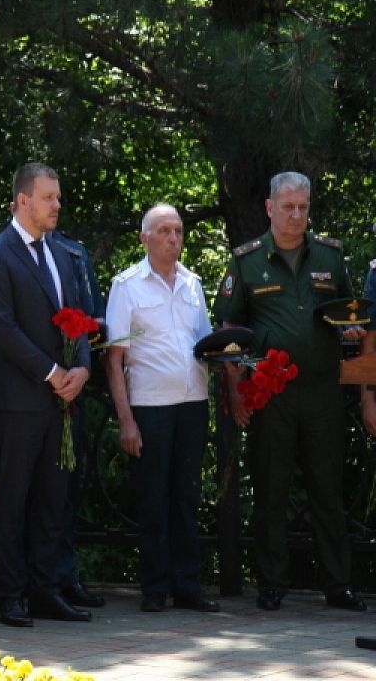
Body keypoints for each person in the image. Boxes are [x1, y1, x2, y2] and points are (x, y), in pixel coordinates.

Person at [215, 171, 366, 612]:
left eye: (302, 207)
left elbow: (351, 315)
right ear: (269, 208)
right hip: (271, 394)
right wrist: (238, 390)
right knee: (271, 488)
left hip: (322, 393)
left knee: (327, 489)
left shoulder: (330, 257)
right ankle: (272, 582)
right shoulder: (246, 261)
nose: (296, 215)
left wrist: (353, 331)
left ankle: (338, 585)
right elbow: (229, 331)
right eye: (288, 207)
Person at [0, 162, 92, 628]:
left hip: (61, 399)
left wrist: (81, 368)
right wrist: (52, 372)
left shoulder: (63, 254)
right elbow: (2, 328)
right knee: (13, 500)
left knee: (52, 498)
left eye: (58, 198)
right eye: (48, 198)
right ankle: (11, 596)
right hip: (19, 400)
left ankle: (45, 590)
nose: (56, 205)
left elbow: (78, 317)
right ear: (24, 201)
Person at [105, 204, 219, 613]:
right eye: (164, 231)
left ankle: (188, 585)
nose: (174, 238)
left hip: (193, 403)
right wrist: (126, 421)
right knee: (153, 499)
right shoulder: (127, 286)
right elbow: (114, 359)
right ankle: (154, 588)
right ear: (144, 239)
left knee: (187, 498)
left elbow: (206, 343)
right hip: (150, 407)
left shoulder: (192, 283)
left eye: (178, 230)